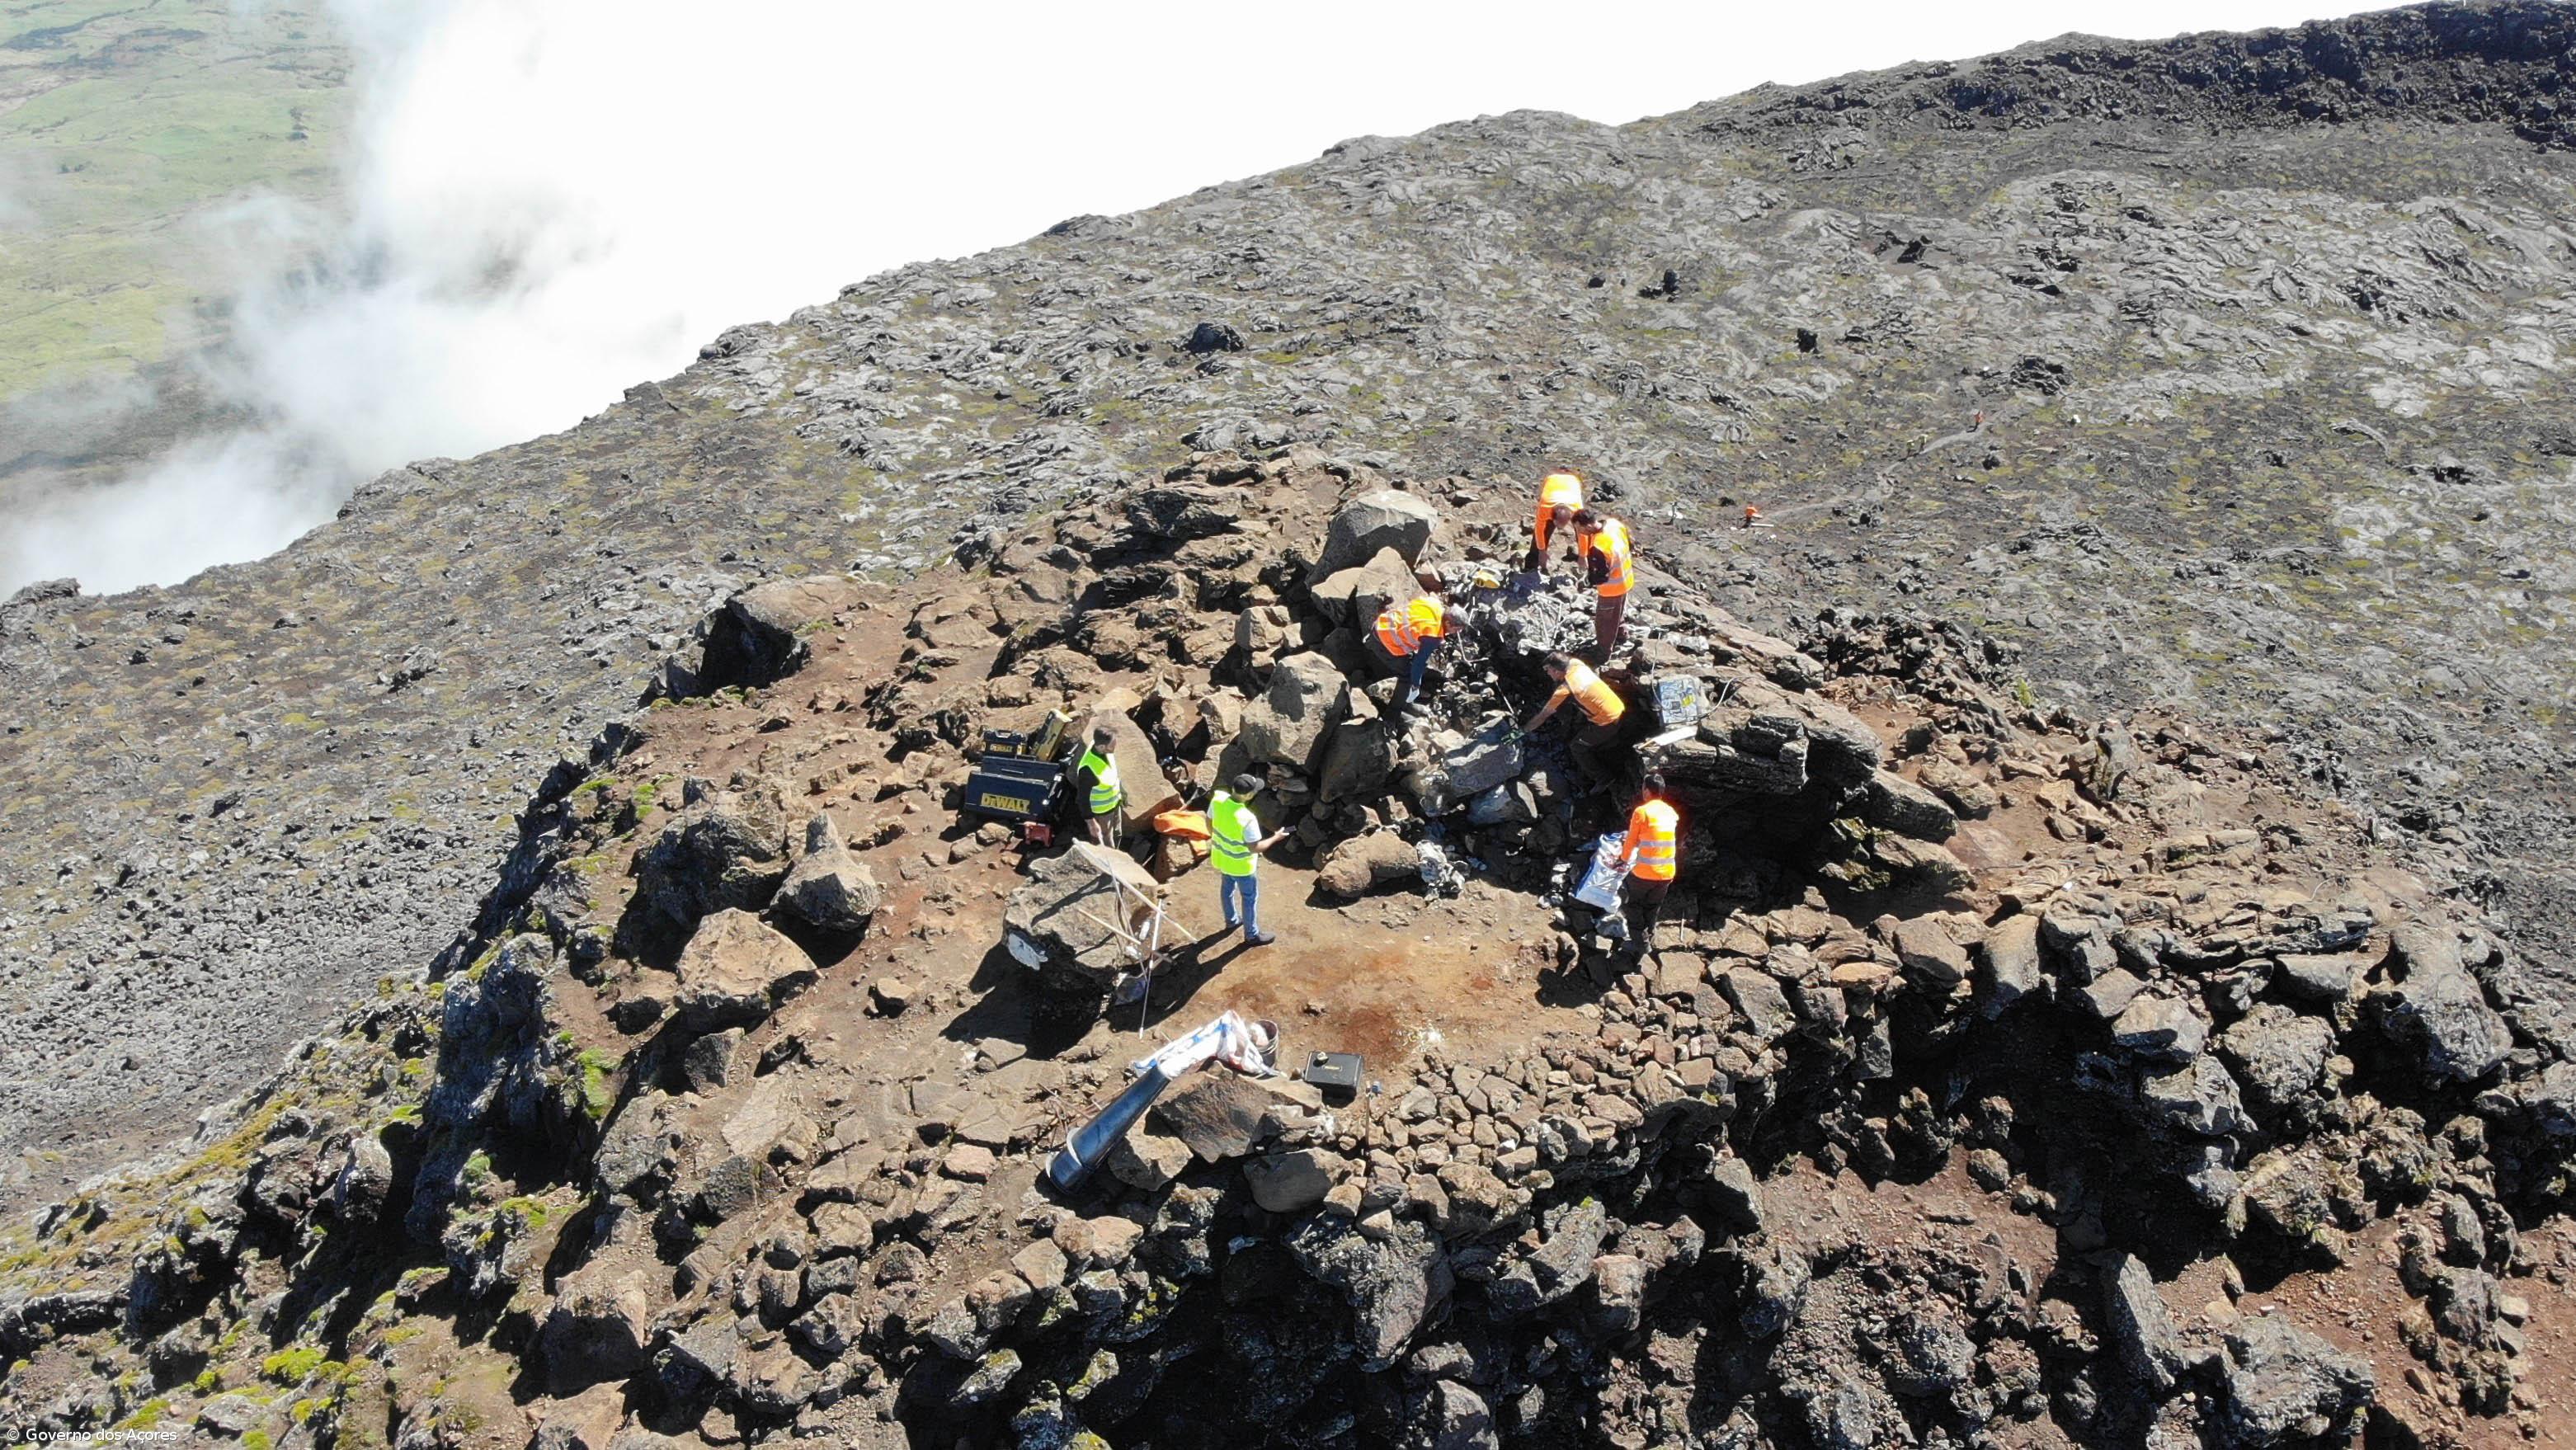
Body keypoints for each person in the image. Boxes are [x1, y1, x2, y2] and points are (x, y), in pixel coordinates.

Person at [1208, 773, 1289, 946]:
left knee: (1227, 889)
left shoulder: (1218, 800)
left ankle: (1231, 921)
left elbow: (1209, 823)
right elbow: (1256, 847)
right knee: (1249, 897)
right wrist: (1276, 837)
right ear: (1249, 795)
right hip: (1242, 867)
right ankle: (1251, 935)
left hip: (1223, 858)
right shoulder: (1247, 818)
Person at [1523, 651, 1627, 781]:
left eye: (1548, 670)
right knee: (1579, 719)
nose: (1547, 673)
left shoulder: (1565, 690)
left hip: (1607, 722)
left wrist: (1523, 730)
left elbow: (1543, 716)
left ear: (1556, 671)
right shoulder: (1576, 664)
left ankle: (1603, 778)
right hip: (1618, 707)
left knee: (1577, 747)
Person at [1614, 774, 1680, 932]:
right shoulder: (1671, 812)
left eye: (1643, 788)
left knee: (1631, 903)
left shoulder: (1642, 812)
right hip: (1667, 874)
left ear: (1647, 791)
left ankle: (1640, 942)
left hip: (1644, 873)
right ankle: (1650, 934)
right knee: (1652, 907)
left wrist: (1622, 860)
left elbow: (1630, 841)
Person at [1373, 575, 1448, 710]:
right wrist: (1415, 684)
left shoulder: (1433, 605)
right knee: (1406, 678)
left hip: (1380, 624)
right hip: (1385, 642)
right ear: (1451, 624)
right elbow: (1419, 662)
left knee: (1411, 661)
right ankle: (1391, 721)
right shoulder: (1433, 634)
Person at [1574, 509, 1635, 659]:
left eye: (1579, 529)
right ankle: (1621, 634)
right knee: (1618, 611)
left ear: (1587, 526)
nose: (1579, 533)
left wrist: (1588, 581)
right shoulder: (1614, 525)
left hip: (1611, 589)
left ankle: (1603, 652)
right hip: (1626, 579)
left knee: (1604, 622)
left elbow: (1601, 576)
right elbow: (1630, 542)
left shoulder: (1598, 547)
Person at [1526, 471, 1585, 572]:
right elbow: (1539, 530)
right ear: (1551, 517)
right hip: (1552, 481)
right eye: (1557, 525)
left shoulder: (1577, 510)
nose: (1560, 529)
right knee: (1544, 533)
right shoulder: (1545, 507)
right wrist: (1542, 551)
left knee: (1583, 531)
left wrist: (1583, 556)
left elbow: (1583, 535)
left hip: (1573, 482)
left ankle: (1589, 565)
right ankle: (1531, 565)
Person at [1075, 725, 1123, 849]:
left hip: (1115, 804)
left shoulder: (1101, 748)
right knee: (1107, 841)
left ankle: (1119, 853)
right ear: (1102, 747)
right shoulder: (1088, 770)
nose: (1115, 747)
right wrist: (1091, 823)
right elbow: (1082, 799)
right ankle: (1111, 864)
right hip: (1102, 813)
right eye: (1113, 745)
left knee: (1117, 833)